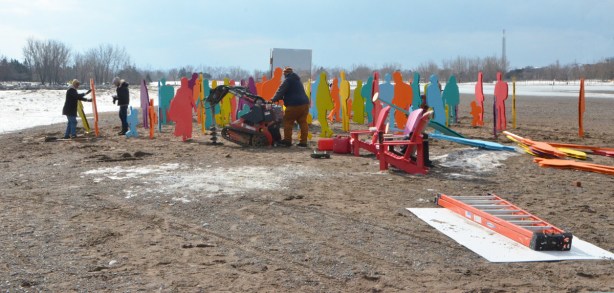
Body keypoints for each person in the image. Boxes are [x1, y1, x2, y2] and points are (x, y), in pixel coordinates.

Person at [271, 67, 310, 147]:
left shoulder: (287, 80)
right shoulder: (298, 80)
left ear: (285, 73)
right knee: (303, 122)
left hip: (294, 105)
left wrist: (273, 99)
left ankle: (287, 141)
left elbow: (280, 90)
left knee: (288, 121)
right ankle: (303, 142)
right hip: (305, 104)